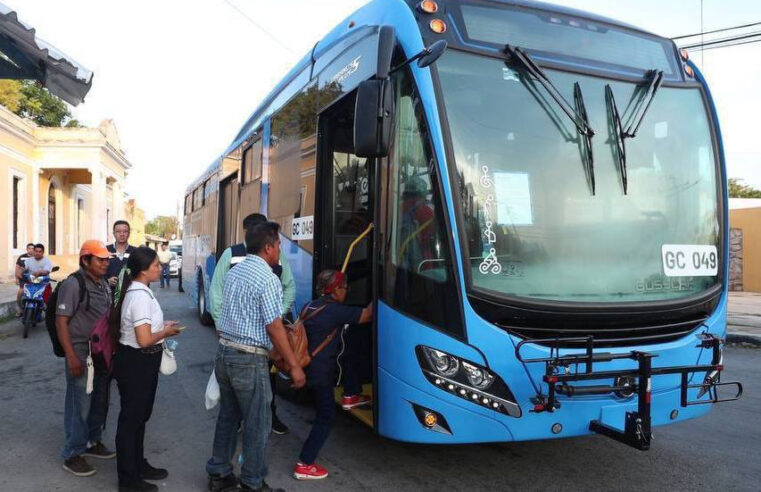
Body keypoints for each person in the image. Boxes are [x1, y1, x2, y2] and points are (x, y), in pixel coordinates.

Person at [206, 222, 305, 492]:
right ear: (269, 247)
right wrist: (294, 365)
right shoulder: (268, 278)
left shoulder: (235, 272)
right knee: (258, 423)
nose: (279, 253)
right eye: (279, 247)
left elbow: (240, 316)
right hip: (248, 361)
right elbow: (274, 326)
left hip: (225, 353)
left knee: (228, 417)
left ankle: (219, 473)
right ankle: (252, 482)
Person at [209, 213, 295, 435]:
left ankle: (269, 415)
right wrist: (220, 323)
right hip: (245, 342)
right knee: (247, 406)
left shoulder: (276, 259)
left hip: (260, 342)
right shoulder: (232, 255)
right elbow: (217, 292)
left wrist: (278, 311)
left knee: (268, 382)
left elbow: (289, 287)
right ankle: (251, 463)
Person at [111, 246, 181, 492]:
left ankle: (138, 465)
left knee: (139, 417)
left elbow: (144, 329)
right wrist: (166, 332)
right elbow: (143, 339)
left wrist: (161, 325)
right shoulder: (139, 295)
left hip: (141, 361)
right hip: (136, 361)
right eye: (155, 266)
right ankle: (128, 479)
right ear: (143, 270)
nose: (160, 268)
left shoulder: (141, 291)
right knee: (131, 420)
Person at [293, 269, 372, 481]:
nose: (346, 291)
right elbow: (367, 315)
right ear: (336, 290)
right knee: (326, 416)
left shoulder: (309, 306)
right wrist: (383, 290)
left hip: (306, 368)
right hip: (320, 374)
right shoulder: (335, 311)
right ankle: (305, 463)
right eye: (345, 287)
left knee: (348, 350)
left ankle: (351, 394)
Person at [55, 240, 115, 477]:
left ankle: (92, 441)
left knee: (99, 400)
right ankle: (72, 453)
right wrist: (71, 356)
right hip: (80, 352)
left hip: (101, 353)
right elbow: (62, 322)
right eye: (100, 259)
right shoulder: (74, 283)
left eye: (107, 259)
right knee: (79, 404)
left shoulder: (103, 284)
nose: (105, 263)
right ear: (85, 260)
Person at [107, 220, 136, 288]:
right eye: (118, 231)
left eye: (125, 231)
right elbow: (96, 274)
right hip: (109, 295)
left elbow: (142, 274)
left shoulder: (135, 252)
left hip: (131, 294)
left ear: (129, 233)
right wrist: (107, 281)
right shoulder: (105, 251)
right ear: (113, 233)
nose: (122, 234)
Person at [14, 242, 35, 316]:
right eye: (29, 248)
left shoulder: (37, 257)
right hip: (23, 279)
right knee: (20, 292)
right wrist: (16, 278)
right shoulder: (22, 257)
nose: (31, 250)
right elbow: (17, 267)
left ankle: (41, 307)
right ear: (27, 249)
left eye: (32, 248)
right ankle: (20, 308)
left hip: (34, 279)